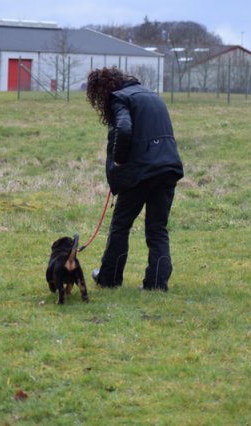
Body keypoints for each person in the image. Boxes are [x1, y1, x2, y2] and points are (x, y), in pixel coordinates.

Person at [86, 67, 184, 291]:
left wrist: (119, 161)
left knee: (120, 225)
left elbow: (124, 127)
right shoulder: (153, 96)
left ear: (103, 90)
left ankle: (109, 278)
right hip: (169, 167)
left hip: (141, 171)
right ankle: (157, 284)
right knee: (157, 228)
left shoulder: (119, 98)